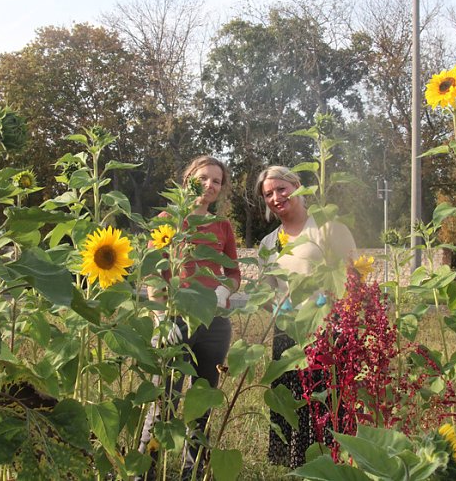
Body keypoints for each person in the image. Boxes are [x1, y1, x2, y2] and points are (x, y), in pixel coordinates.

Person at [140, 156, 240, 478]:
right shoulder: (168, 219)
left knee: (201, 403)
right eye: (204, 178)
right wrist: (160, 319)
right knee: (161, 401)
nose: (210, 185)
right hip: (175, 320)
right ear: (189, 179)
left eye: (217, 181)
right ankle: (145, 472)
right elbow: (154, 273)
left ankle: (192, 473)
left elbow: (233, 273)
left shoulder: (222, 227)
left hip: (215, 324)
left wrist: (225, 290)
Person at [255, 165, 356, 469]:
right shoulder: (269, 243)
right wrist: (276, 307)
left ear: (297, 185)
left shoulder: (328, 228)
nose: (276, 197)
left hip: (329, 330)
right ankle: (293, 467)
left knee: (328, 403)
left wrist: (334, 305)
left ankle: (332, 463)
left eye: (281, 189)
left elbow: (353, 275)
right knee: (291, 403)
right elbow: (264, 291)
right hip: (289, 334)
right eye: (268, 194)